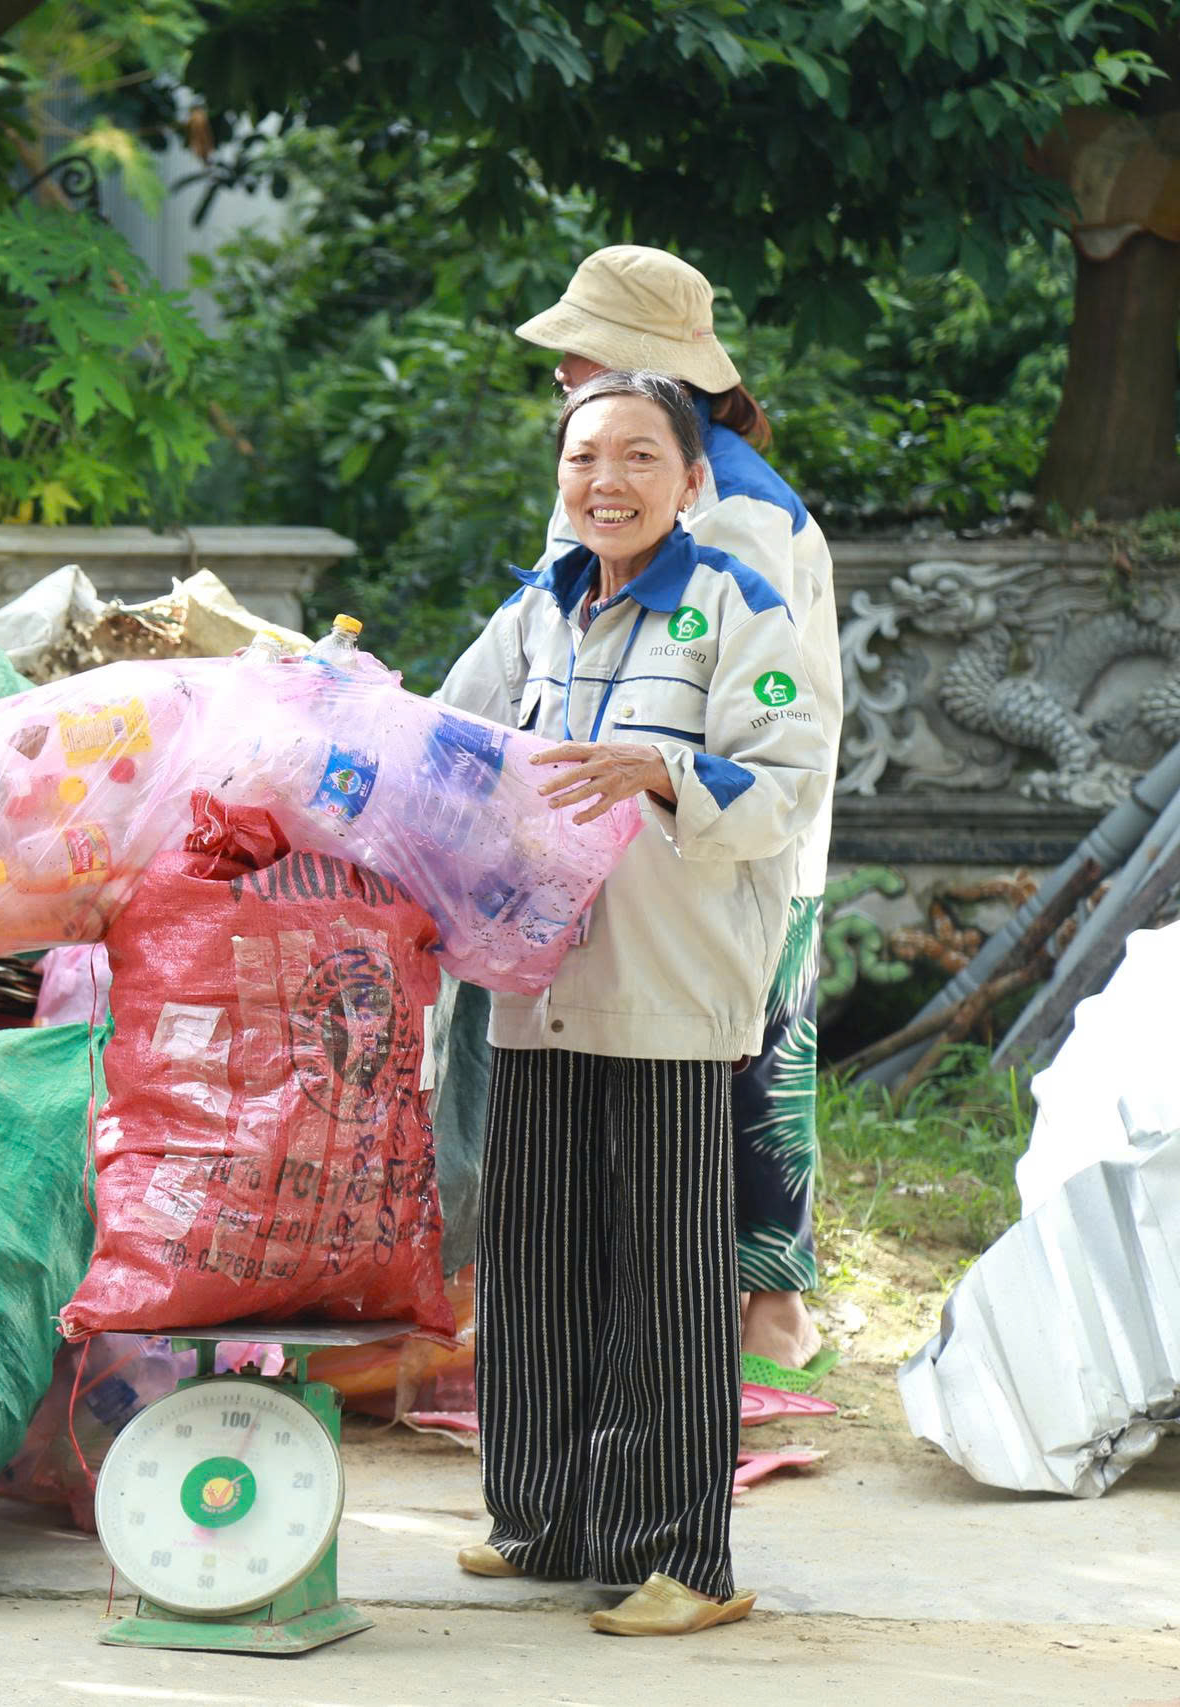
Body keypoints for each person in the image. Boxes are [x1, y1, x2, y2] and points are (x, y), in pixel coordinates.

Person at [437, 371, 830, 1635]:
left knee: (663, 1274)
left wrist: (660, 769)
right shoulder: (535, 614)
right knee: (536, 1256)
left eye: (637, 457)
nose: (604, 481)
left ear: (690, 478)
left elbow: (785, 783)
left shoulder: (736, 606)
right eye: (582, 458)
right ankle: (544, 1519)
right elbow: (447, 737)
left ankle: (682, 1560)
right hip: (539, 978)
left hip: (670, 982)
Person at [516, 246, 843, 1382]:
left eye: (581, 353)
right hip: (631, 838)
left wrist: (655, 774)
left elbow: (752, 714)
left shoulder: (733, 512)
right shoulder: (644, 474)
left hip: (713, 835)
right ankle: (721, 1314)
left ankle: (755, 1312)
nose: (561, 372)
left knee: (737, 1065)